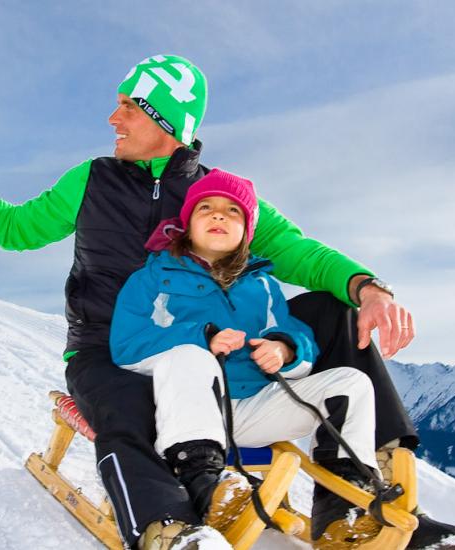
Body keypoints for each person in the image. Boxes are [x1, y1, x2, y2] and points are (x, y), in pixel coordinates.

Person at [0, 55, 455, 548]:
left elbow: (299, 251)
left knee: (337, 315)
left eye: (126, 108)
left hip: (222, 345)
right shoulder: (90, 180)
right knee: (128, 406)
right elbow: (18, 229)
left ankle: (373, 506)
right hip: (111, 345)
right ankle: (171, 528)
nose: (113, 120)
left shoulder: (221, 196)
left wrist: (370, 290)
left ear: (163, 120)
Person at [110, 168, 383, 547]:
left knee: (351, 383)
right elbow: (126, 345)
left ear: (248, 231)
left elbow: (299, 340)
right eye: (206, 207)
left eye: (232, 211)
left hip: (255, 408)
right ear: (187, 224)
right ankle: (206, 485)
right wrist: (201, 338)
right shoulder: (152, 278)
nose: (219, 215)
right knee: (190, 355)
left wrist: (284, 349)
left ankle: (343, 509)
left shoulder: (263, 284)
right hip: (189, 413)